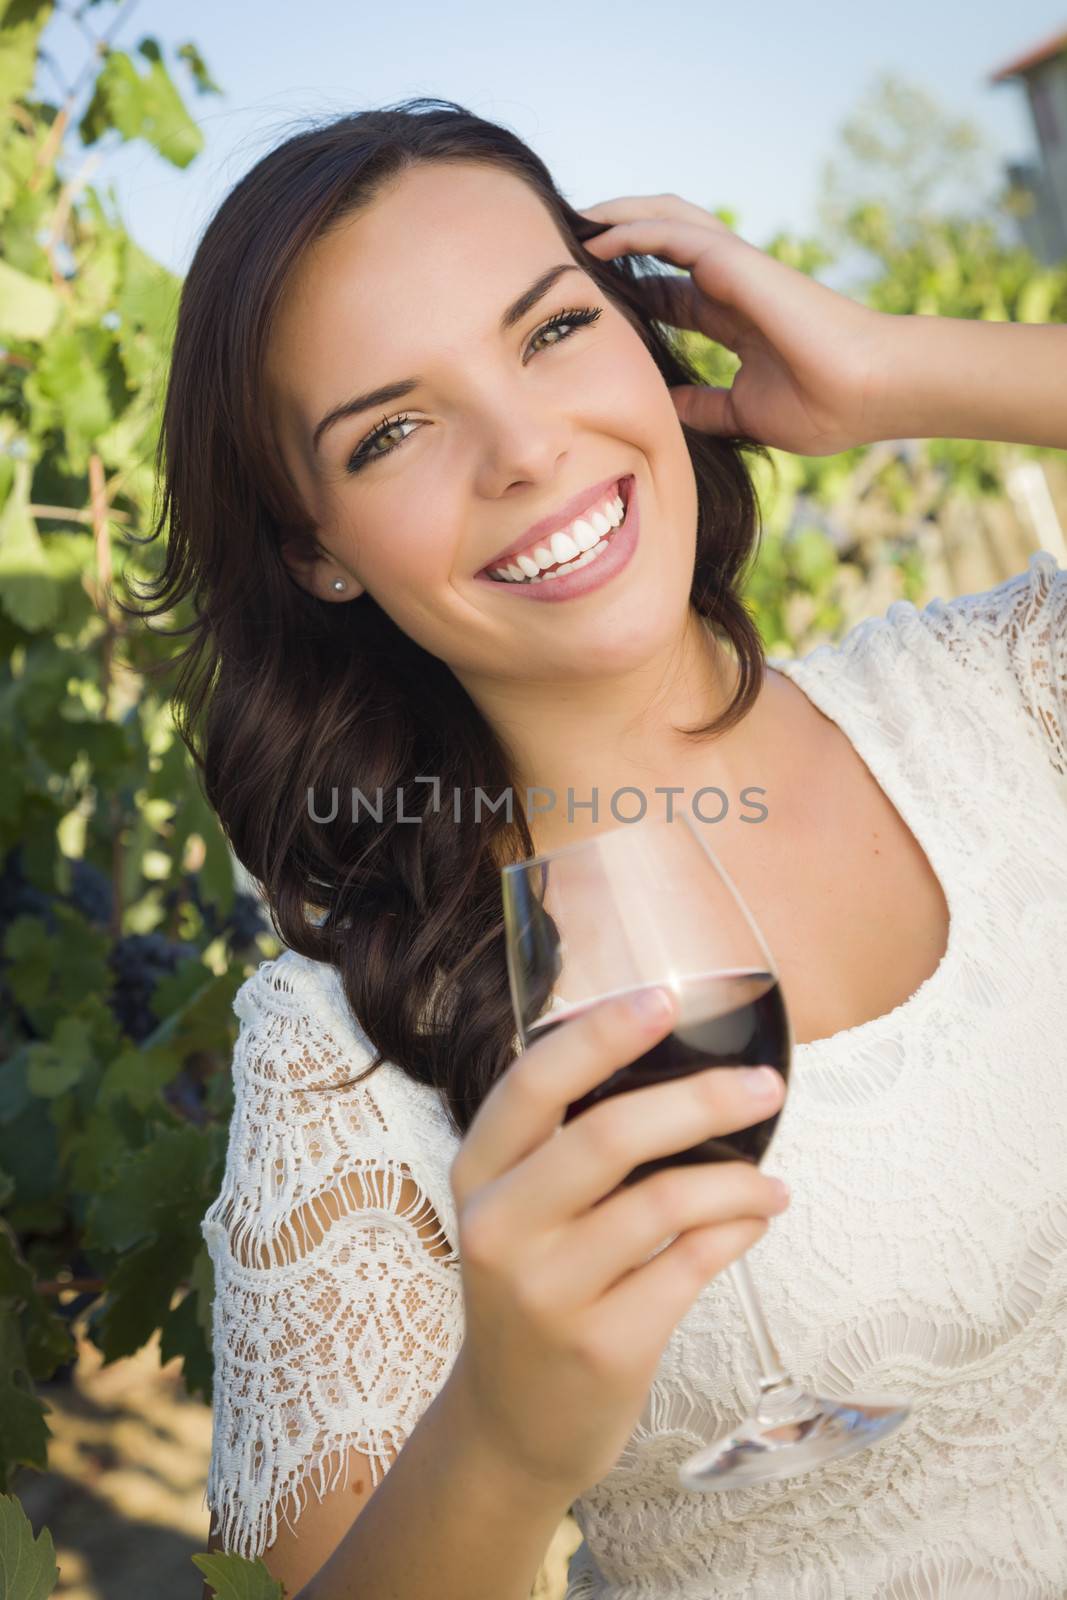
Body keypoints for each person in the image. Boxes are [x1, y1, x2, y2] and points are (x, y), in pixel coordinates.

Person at [140, 97, 1067, 1600]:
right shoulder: (345, 1058)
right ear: (314, 549)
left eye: (553, 331)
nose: (525, 448)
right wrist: (503, 1443)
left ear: (645, 336)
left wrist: (899, 366)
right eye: (391, 430)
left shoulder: (1006, 694)